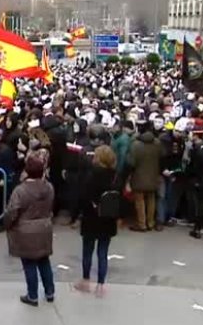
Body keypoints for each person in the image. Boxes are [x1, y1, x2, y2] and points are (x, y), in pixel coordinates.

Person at [3, 154, 55, 307]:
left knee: (29, 263)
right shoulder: (49, 187)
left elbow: (12, 211)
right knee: (44, 260)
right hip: (44, 227)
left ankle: (32, 295)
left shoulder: (21, 190)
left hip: (25, 229)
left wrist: (7, 224)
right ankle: (50, 291)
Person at [74, 145, 118, 298]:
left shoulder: (91, 175)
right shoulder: (115, 176)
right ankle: (101, 284)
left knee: (88, 250)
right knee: (103, 251)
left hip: (91, 217)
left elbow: (83, 196)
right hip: (108, 218)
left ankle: (85, 280)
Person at [126, 121, 162, 232]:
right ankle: (150, 222)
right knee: (151, 199)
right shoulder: (157, 142)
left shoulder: (135, 144)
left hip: (139, 176)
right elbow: (162, 156)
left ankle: (142, 224)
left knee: (140, 201)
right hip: (153, 175)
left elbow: (131, 162)